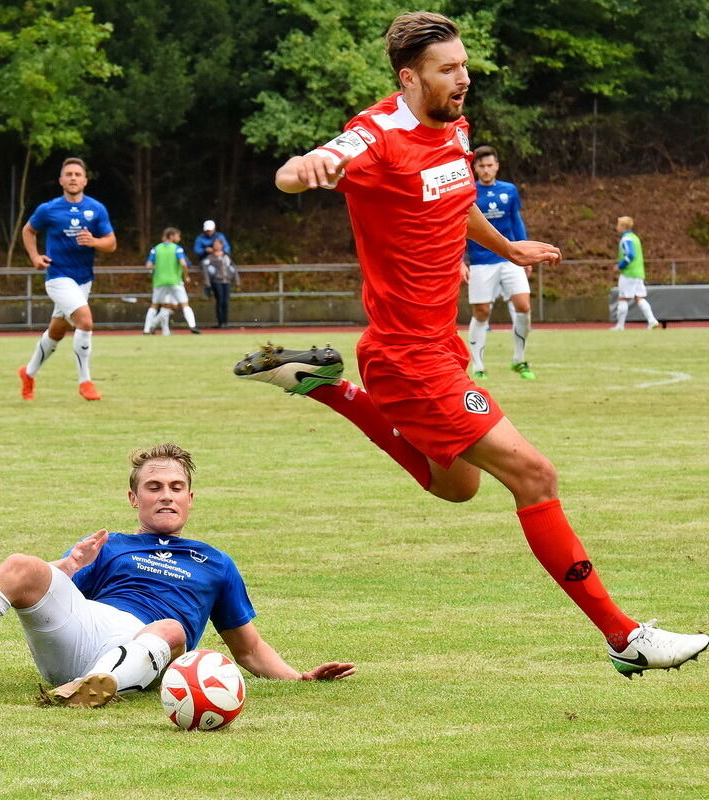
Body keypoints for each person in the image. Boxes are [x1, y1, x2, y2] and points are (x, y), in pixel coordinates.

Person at [237, 11, 706, 677]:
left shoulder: (454, 125)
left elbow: (458, 200)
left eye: (463, 66)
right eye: (447, 70)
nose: (463, 79)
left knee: (455, 488)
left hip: (439, 344)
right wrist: (304, 169)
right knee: (534, 474)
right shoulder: (375, 136)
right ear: (409, 78)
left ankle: (326, 386)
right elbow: (304, 167)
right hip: (408, 356)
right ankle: (624, 635)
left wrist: (507, 246)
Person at [0, 443, 355, 705]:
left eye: (176, 487)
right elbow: (44, 595)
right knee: (23, 566)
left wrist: (300, 678)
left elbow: (248, 649)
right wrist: (68, 566)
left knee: (173, 628)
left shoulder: (216, 562)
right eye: (153, 486)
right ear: (133, 498)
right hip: (88, 629)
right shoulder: (109, 544)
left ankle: (93, 689)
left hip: (147, 651)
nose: (166, 494)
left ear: (190, 499)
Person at [17, 158, 116, 401]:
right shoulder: (49, 209)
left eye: (77, 174)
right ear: (61, 180)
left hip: (84, 280)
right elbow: (28, 230)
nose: (73, 178)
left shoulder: (96, 209)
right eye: (68, 174)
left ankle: (28, 373)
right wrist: (34, 257)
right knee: (85, 321)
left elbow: (111, 244)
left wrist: (94, 242)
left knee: (57, 331)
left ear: (85, 180)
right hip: (58, 277)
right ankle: (85, 382)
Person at [465, 145, 535, 379]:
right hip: (481, 261)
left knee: (524, 305)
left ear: (497, 166)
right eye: (481, 166)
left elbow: (516, 221)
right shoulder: (468, 192)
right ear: (474, 168)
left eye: (490, 165)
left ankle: (519, 360)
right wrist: (459, 261)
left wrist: (525, 252)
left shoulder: (509, 190)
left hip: (509, 258)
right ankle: (478, 366)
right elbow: (459, 228)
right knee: (482, 311)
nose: (486, 170)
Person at [142, 227, 200, 335]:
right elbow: (183, 264)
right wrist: (186, 276)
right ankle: (192, 326)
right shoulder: (177, 248)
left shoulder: (156, 249)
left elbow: (148, 266)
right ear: (172, 236)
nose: (179, 238)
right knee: (184, 304)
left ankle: (147, 329)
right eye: (178, 235)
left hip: (159, 282)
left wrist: (155, 272)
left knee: (154, 306)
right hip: (175, 281)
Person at [611, 216, 660, 330]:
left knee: (622, 298)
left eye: (618, 225)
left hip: (629, 273)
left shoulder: (626, 239)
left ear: (623, 227)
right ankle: (652, 321)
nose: (616, 227)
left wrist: (620, 266)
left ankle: (620, 325)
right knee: (639, 297)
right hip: (638, 272)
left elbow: (630, 255)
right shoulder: (635, 238)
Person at [204, 238, 240, 328]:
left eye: (218, 244)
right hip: (217, 281)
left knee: (226, 302)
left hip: (226, 281)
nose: (216, 246)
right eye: (215, 244)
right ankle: (220, 322)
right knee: (219, 301)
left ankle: (225, 322)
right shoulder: (210, 257)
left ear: (221, 245)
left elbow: (233, 267)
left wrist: (237, 280)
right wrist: (207, 281)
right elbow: (205, 267)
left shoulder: (226, 256)